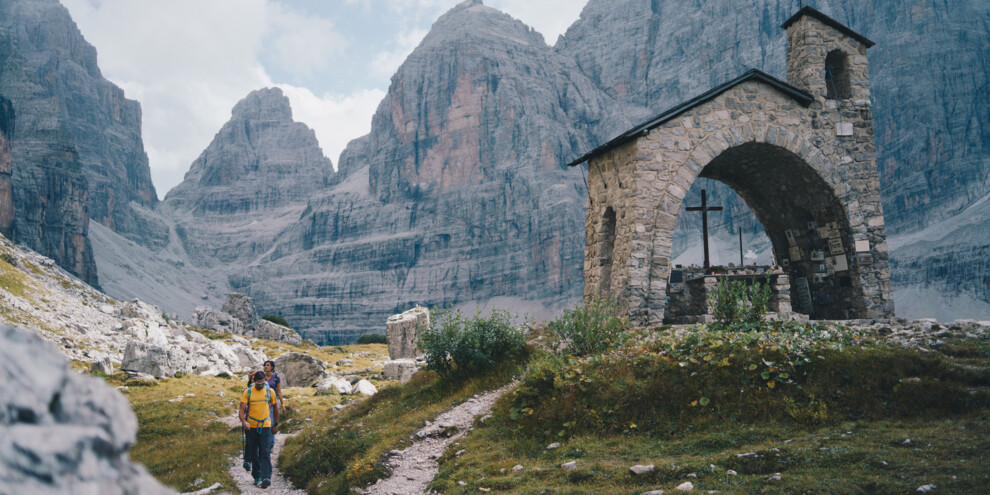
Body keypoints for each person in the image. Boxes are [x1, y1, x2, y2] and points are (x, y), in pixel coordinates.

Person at [240, 371, 278, 489]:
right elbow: (241, 410)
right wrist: (244, 422)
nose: (260, 386)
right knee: (254, 452)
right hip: (252, 426)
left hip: (266, 425)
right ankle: (257, 476)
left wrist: (275, 424)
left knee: (265, 451)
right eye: (258, 384)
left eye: (262, 383)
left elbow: (276, 408)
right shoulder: (248, 392)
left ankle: (266, 476)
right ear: (253, 382)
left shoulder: (269, 391)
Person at [262, 360, 283, 450]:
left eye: (267, 365)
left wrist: (283, 404)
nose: (265, 367)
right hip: (263, 403)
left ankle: (271, 443)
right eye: (265, 365)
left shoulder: (275, 378)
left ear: (272, 367)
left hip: (273, 403)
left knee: (272, 423)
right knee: (264, 423)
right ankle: (264, 442)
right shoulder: (261, 377)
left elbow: (279, 391)